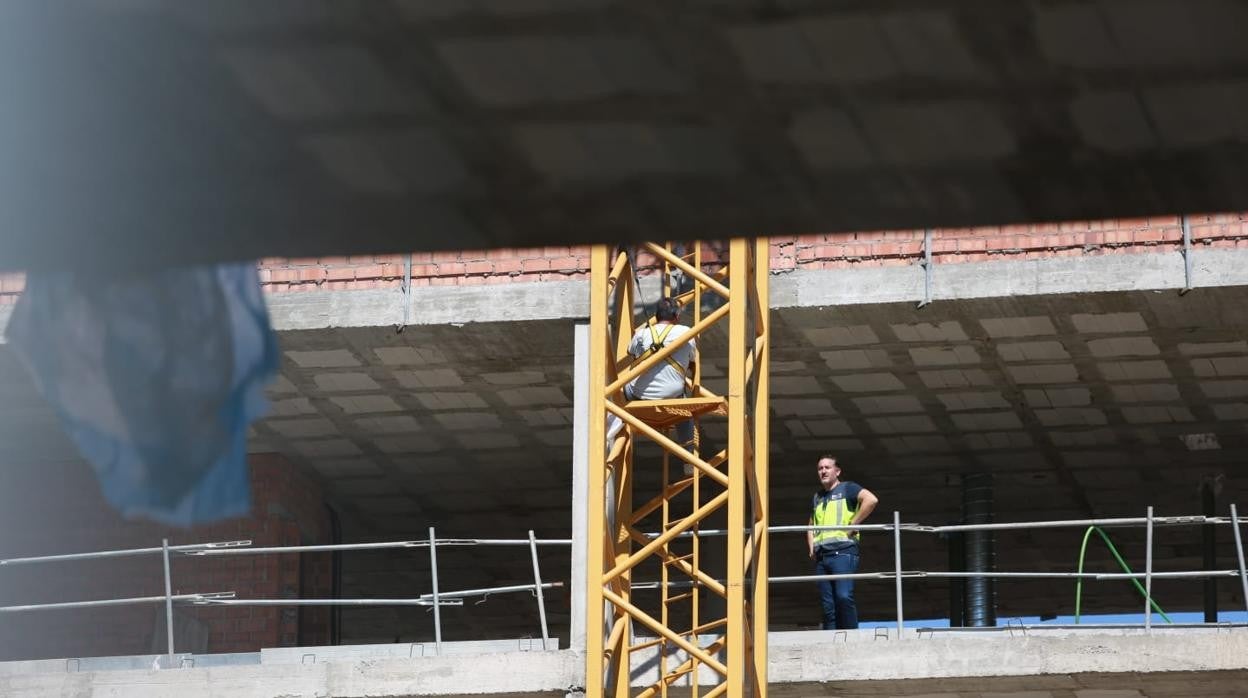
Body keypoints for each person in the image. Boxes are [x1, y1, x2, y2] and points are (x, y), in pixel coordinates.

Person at [606, 298, 697, 453]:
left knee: (616, 394)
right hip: (671, 395)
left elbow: (631, 351)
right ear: (677, 316)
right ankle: (688, 455)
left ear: (657, 316)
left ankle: (610, 436)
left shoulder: (642, 334)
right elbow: (692, 361)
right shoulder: (686, 333)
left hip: (639, 395)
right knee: (685, 410)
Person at [807, 455, 878, 630]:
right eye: (820, 468)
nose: (823, 471)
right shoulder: (818, 497)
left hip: (843, 551)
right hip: (822, 556)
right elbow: (810, 524)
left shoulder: (848, 489)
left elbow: (871, 500)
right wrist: (811, 547)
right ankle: (831, 641)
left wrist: (854, 523)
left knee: (843, 596)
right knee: (828, 606)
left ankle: (851, 637)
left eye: (827, 467)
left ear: (837, 471)